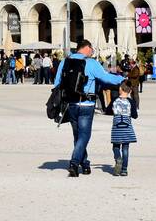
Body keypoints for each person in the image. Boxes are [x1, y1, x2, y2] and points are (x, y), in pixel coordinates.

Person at [53, 39, 125, 178]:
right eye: (91, 49)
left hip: (71, 104)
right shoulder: (91, 63)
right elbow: (105, 78)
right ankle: (74, 163)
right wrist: (121, 79)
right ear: (86, 48)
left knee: (77, 135)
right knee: (84, 135)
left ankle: (85, 164)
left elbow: (57, 83)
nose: (92, 52)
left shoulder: (64, 62)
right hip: (87, 104)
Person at [110, 81, 139, 176]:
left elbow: (108, 110)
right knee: (125, 148)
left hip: (117, 127)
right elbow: (135, 115)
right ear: (130, 91)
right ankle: (124, 169)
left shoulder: (115, 100)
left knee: (116, 146)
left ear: (120, 89)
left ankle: (118, 158)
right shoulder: (131, 101)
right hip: (127, 127)